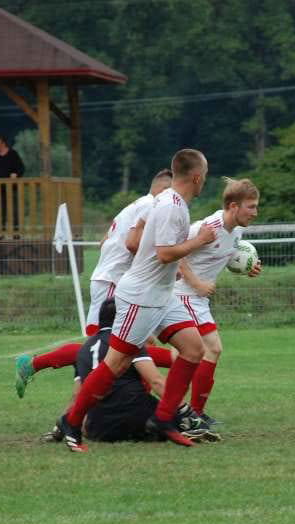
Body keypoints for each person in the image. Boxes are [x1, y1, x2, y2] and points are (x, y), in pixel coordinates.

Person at [54, 149, 217, 451]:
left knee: (194, 349)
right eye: (204, 176)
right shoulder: (171, 206)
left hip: (162, 293)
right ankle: (72, 423)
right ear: (197, 177)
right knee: (115, 364)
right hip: (141, 297)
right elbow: (164, 253)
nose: (204, 181)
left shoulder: (163, 201)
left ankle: (165, 418)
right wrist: (199, 241)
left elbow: (132, 241)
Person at [14, 169, 174, 399]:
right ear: (164, 190)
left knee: (126, 344)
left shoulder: (134, 206)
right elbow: (131, 245)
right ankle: (33, 365)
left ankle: (148, 390)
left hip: (110, 279)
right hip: (113, 282)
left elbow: (104, 242)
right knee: (101, 347)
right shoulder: (151, 206)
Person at [42, 299, 213, 446]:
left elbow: (77, 396)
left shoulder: (83, 350)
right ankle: (185, 426)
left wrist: (63, 424)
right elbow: (156, 382)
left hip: (99, 430)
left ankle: (65, 426)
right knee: (169, 418)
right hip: (137, 417)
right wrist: (184, 409)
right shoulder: (129, 342)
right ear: (123, 318)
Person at [176, 177, 261, 427]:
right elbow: (176, 254)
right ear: (233, 207)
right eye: (251, 206)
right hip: (182, 295)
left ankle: (191, 412)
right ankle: (190, 412)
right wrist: (197, 284)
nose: (255, 213)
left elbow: (227, 254)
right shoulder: (207, 228)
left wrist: (248, 267)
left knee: (192, 353)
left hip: (197, 299)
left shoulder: (237, 230)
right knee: (211, 348)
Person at [0, 135, 25, 231]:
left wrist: (16, 174)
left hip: (12, 188)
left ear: (3, 143)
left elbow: (21, 168)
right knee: (0, 211)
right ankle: (1, 232)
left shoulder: (13, 154)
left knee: (14, 210)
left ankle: (16, 232)